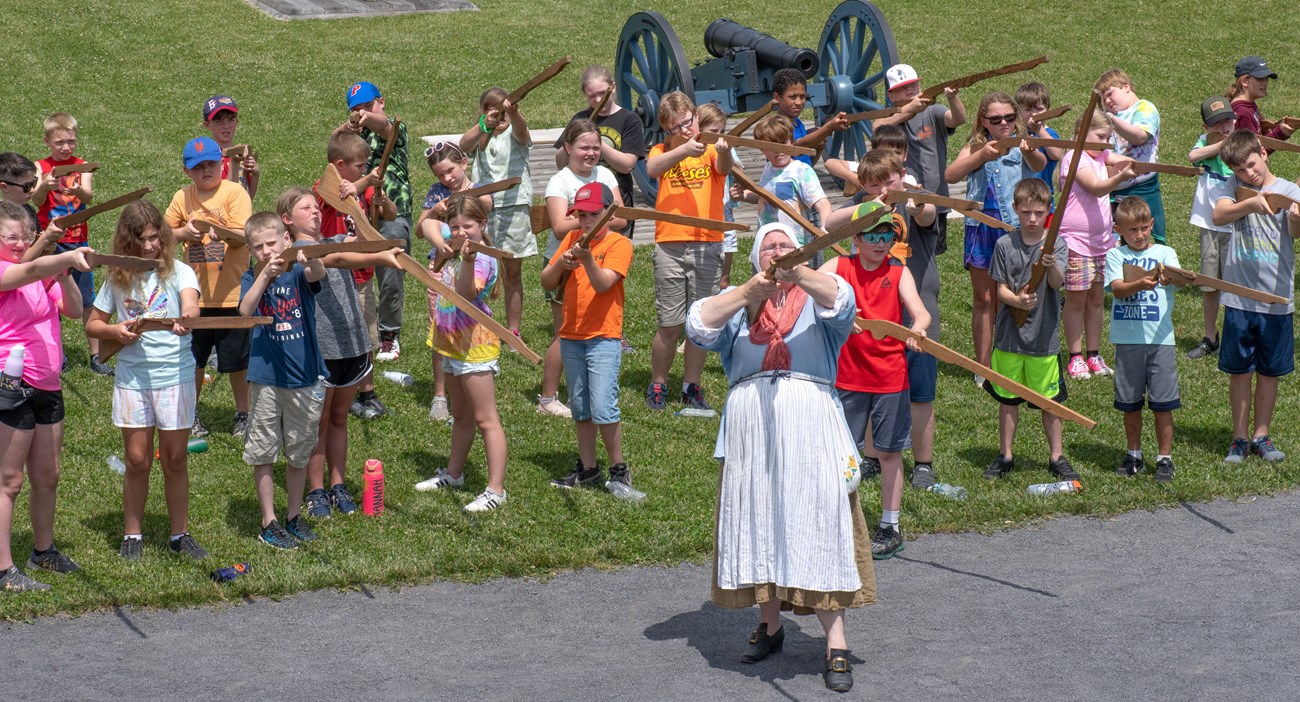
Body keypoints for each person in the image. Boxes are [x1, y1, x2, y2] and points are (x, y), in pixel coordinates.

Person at [686, 222, 873, 693]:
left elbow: (843, 300)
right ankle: (771, 628)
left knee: (821, 521)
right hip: (752, 433)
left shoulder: (820, 297)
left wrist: (797, 273)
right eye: (768, 246)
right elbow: (697, 324)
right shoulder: (740, 302)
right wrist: (749, 289)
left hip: (810, 426)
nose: (776, 250)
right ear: (754, 259)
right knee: (758, 521)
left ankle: (836, 644)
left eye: (785, 244)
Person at [86, 201, 206, 561]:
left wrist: (188, 317)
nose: (150, 246)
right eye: (141, 239)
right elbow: (93, 324)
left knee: (175, 458)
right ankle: (132, 534)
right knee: (137, 459)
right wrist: (115, 331)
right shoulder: (118, 276)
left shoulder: (181, 271)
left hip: (175, 376)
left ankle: (179, 534)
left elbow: (192, 305)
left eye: (155, 238)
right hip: (133, 379)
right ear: (127, 240)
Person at [276, 188, 400, 519]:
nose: (315, 212)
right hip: (322, 349)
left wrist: (360, 214)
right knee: (318, 422)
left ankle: (338, 484)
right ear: (288, 220)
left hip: (353, 343)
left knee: (340, 418)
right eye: (306, 209)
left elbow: (362, 241)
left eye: (316, 207)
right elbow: (341, 258)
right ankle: (315, 490)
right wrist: (380, 256)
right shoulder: (300, 250)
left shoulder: (335, 239)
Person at [829, 152, 942, 490]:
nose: (883, 188)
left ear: (902, 175)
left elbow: (927, 214)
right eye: (874, 184)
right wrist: (872, 204)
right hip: (875, 321)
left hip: (915, 318)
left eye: (889, 181)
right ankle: (874, 454)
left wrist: (913, 201)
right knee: (872, 386)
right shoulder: (864, 214)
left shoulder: (914, 201)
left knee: (920, 395)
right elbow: (830, 225)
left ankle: (923, 463)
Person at [821, 201, 928, 559]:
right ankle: (835, 520)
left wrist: (918, 330)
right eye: (873, 235)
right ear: (856, 237)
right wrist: (837, 316)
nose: (881, 242)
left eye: (887, 235)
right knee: (841, 453)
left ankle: (890, 525)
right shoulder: (839, 267)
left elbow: (921, 313)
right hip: (847, 378)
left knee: (888, 452)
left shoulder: (898, 272)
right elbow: (807, 295)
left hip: (889, 379)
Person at [0, 201, 92, 591]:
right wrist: (57, 256)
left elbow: (74, 309)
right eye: (9, 238)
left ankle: (43, 551)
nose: (19, 244)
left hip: (48, 384)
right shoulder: (7, 271)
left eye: (24, 237)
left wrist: (64, 268)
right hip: (11, 383)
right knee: (9, 479)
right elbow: (30, 270)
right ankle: (3, 569)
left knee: (47, 475)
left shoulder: (40, 267)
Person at [413, 197, 510, 512]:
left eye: (467, 226)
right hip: (452, 342)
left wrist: (466, 260)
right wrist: (441, 232)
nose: (461, 231)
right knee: (462, 415)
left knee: (485, 418)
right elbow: (423, 226)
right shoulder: (452, 245)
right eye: (455, 226)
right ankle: (454, 474)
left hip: (475, 347)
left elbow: (467, 295)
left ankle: (496, 490)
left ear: (482, 224)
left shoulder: (482, 259)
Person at [238, 211, 327, 549]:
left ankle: (293, 515)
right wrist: (263, 276)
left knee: (299, 451)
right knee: (263, 448)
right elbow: (245, 311)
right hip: (266, 377)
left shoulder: (299, 275)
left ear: (286, 240)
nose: (266, 251)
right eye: (258, 247)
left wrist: (310, 259)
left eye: (272, 243)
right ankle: (268, 520)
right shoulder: (251, 277)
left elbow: (318, 275)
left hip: (303, 377)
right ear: (250, 250)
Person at [1211, 130, 1300, 464]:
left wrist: (1294, 219)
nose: (1248, 174)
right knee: (1240, 372)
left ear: (1264, 153)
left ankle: (1262, 435)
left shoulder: (1290, 191)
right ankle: (1239, 438)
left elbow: (1295, 234)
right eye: (1240, 171)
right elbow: (1219, 215)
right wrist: (1249, 203)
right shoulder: (1230, 189)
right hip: (1239, 299)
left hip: (1276, 298)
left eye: (1251, 165)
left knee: (1269, 372)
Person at [539, 183, 635, 492]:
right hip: (571, 335)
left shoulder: (619, 244)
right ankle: (588, 467)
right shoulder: (570, 238)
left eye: (592, 214)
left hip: (603, 336)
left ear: (608, 213)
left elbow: (604, 283)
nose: (585, 222)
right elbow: (547, 280)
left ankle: (618, 468)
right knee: (580, 407)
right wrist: (562, 265)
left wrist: (587, 258)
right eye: (580, 215)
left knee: (604, 406)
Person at [644, 91, 733, 413]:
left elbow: (723, 168)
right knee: (669, 323)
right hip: (670, 242)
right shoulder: (664, 149)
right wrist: (683, 149)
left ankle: (690, 385)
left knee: (700, 320)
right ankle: (658, 382)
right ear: (666, 130)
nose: (686, 129)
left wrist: (723, 149)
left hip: (707, 242)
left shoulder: (709, 148)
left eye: (689, 122)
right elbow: (653, 168)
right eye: (677, 126)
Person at [983, 178, 1076, 482]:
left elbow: (1057, 283)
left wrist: (1049, 265)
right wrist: (1017, 300)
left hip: (1043, 337)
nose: (1032, 219)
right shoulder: (1004, 244)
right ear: (1015, 210)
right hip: (1009, 337)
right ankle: (1005, 454)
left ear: (1048, 211)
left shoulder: (1056, 244)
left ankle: (1057, 456)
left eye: (1038, 212)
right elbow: (999, 290)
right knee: (1008, 401)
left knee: (1050, 401)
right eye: (1026, 213)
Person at [945, 93, 1046, 373]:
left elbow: (1040, 165)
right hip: (981, 227)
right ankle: (983, 367)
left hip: (1014, 229)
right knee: (984, 298)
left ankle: (1007, 361)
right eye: (996, 119)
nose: (1004, 123)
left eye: (1010, 118)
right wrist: (980, 155)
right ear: (983, 122)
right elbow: (951, 175)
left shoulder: (1022, 145)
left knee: (1011, 295)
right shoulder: (976, 144)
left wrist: (1028, 150)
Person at [165, 136, 253, 439]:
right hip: (194, 295)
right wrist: (183, 232)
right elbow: (162, 236)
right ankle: (190, 413)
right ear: (187, 171)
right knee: (194, 359)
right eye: (198, 166)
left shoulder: (235, 192)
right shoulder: (182, 197)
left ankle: (244, 413)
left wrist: (224, 235)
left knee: (238, 362)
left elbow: (244, 237)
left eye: (212, 164)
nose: (206, 170)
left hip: (231, 292)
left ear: (222, 163)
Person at [543, 119, 627, 418]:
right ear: (568, 147)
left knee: (593, 329)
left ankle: (586, 390)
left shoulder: (604, 173)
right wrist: (595, 216)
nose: (591, 153)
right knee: (564, 332)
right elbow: (557, 228)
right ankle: (548, 397)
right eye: (583, 147)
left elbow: (622, 217)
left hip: (602, 258)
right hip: (564, 264)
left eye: (596, 147)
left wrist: (585, 216)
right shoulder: (560, 181)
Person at [317, 132, 396, 421]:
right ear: (339, 165)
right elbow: (336, 193)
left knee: (367, 331)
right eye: (359, 166)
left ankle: (368, 391)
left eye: (364, 166)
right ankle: (342, 388)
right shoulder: (324, 185)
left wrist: (381, 195)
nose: (363, 171)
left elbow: (390, 213)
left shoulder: (362, 188)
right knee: (342, 331)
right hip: (336, 275)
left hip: (363, 273)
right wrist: (365, 181)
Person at [1104, 197, 1181, 482]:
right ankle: (1133, 455)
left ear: (1151, 225)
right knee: (1130, 403)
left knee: (1163, 403)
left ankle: (1164, 458)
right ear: (1118, 230)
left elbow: (1181, 278)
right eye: (1132, 230)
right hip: (1128, 339)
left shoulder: (1166, 252)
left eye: (1144, 228)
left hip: (1161, 340)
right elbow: (1118, 289)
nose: (1139, 235)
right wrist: (1142, 282)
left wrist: (1175, 277)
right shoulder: (1115, 256)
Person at [336, 81, 412, 363]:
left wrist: (370, 118)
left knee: (391, 276)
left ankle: (389, 334)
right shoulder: (353, 136)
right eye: (356, 110)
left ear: (382, 101)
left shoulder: (394, 128)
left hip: (394, 210)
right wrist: (349, 126)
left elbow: (386, 127)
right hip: (359, 214)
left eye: (368, 106)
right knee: (356, 274)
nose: (363, 114)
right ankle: (361, 330)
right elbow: (334, 142)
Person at [416, 141, 492, 422]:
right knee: (441, 327)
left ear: (463, 162)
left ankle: (469, 383)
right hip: (441, 267)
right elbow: (420, 228)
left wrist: (464, 198)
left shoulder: (479, 187)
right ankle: (440, 395)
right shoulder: (436, 193)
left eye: (450, 170)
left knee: (469, 324)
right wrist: (435, 211)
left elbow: (486, 205)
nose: (447, 179)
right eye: (440, 175)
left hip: (473, 267)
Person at [1057, 109, 1135, 380]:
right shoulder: (1075, 158)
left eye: (1108, 138)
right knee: (1076, 300)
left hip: (1102, 242)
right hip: (1076, 241)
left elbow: (1121, 158)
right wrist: (1120, 177)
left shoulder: (1099, 153)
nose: (1105, 143)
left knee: (1096, 299)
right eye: (1101, 136)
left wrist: (1126, 162)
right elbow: (1096, 187)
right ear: (1080, 133)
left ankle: (1093, 353)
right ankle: (1075, 356)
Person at [32, 112, 110, 375]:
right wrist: (45, 185)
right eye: (60, 142)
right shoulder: (40, 167)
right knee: (50, 299)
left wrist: (78, 191)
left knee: (87, 299)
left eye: (71, 142)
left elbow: (88, 195)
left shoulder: (82, 165)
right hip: (50, 243)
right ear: (47, 141)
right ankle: (55, 352)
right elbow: (37, 201)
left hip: (78, 242)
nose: (66, 147)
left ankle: (96, 355)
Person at [461, 86, 535, 343]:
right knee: (479, 268)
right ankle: (476, 322)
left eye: (501, 111)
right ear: (483, 112)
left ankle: (513, 330)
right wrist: (484, 125)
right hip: (483, 210)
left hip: (514, 207)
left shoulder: (515, 131)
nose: (498, 116)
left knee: (512, 272)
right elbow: (463, 145)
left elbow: (522, 132)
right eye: (491, 110)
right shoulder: (481, 134)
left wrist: (513, 114)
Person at [873, 63, 967, 254]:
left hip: (935, 198)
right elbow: (877, 129)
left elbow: (958, 119)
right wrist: (909, 110)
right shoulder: (891, 117)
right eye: (902, 88)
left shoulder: (933, 111)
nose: (910, 90)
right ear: (891, 96)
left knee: (931, 253)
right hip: (899, 200)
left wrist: (953, 98)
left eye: (913, 86)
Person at [553, 65, 645, 233]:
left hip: (617, 197)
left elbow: (626, 165)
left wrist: (596, 141)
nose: (597, 100)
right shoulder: (581, 118)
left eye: (602, 93)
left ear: (613, 87)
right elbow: (560, 163)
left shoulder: (629, 119)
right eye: (591, 96)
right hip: (583, 197)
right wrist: (569, 144)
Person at [1185, 97, 1238, 360]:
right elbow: (1193, 156)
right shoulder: (1206, 141)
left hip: (1236, 227)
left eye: (1229, 120)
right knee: (1209, 284)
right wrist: (1218, 144)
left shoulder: (1242, 143)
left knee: (1234, 285)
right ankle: (1210, 337)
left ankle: (1233, 335)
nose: (1226, 126)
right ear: (1207, 126)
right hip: (1209, 225)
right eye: (1219, 123)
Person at [731, 114, 831, 249]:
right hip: (767, 243)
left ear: (791, 141)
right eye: (772, 146)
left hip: (794, 244)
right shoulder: (768, 169)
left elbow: (822, 203)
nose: (778, 150)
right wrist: (743, 195)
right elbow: (764, 197)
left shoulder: (801, 171)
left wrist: (825, 225)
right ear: (761, 149)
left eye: (783, 143)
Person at [1095, 68, 1166, 243]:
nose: (1107, 100)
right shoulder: (1111, 117)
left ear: (1126, 87)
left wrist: (1112, 120)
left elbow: (1140, 136)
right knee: (1117, 243)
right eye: (1103, 100)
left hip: (1142, 189)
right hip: (1112, 192)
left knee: (1143, 239)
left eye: (1110, 94)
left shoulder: (1144, 107)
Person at [697, 104, 741, 291]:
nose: (719, 136)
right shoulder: (695, 152)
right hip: (702, 219)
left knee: (723, 279)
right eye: (714, 131)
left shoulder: (724, 148)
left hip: (725, 214)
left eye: (722, 131)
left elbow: (737, 170)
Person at [770, 67, 849, 167]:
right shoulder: (777, 126)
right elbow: (797, 148)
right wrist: (828, 128)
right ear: (777, 97)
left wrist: (819, 148)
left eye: (803, 96)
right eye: (792, 97)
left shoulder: (797, 123)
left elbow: (808, 166)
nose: (799, 102)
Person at [201, 95, 260, 198]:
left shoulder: (241, 154)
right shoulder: (208, 159)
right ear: (207, 125)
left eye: (231, 119)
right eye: (219, 121)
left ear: (237, 122)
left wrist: (255, 174)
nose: (226, 126)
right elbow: (225, 198)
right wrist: (234, 163)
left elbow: (247, 196)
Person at [1226, 56, 1294, 141]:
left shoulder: (1249, 104)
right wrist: (1279, 133)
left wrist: (1268, 129)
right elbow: (1253, 152)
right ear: (1245, 82)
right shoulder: (1243, 112)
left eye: (1266, 79)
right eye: (1260, 79)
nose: (1265, 83)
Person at [1016, 82, 1064, 196]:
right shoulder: (1015, 134)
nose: (1034, 114)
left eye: (1039, 109)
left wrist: (1039, 130)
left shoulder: (1049, 133)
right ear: (1018, 111)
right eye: (1028, 109)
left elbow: (1057, 154)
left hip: (1043, 194)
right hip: (1020, 194)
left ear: (1048, 110)